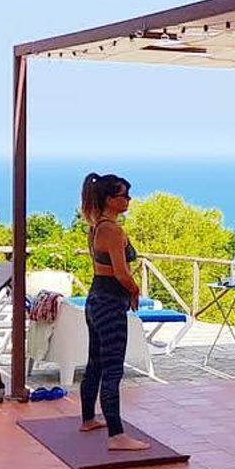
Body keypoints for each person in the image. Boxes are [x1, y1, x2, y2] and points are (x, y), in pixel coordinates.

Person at [79, 173, 152, 452]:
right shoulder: (112, 230)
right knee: (112, 368)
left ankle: (88, 418)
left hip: (96, 299)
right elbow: (121, 273)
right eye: (124, 195)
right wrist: (134, 291)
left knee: (95, 362)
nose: (129, 200)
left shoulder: (97, 226)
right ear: (110, 199)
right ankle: (116, 434)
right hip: (109, 302)